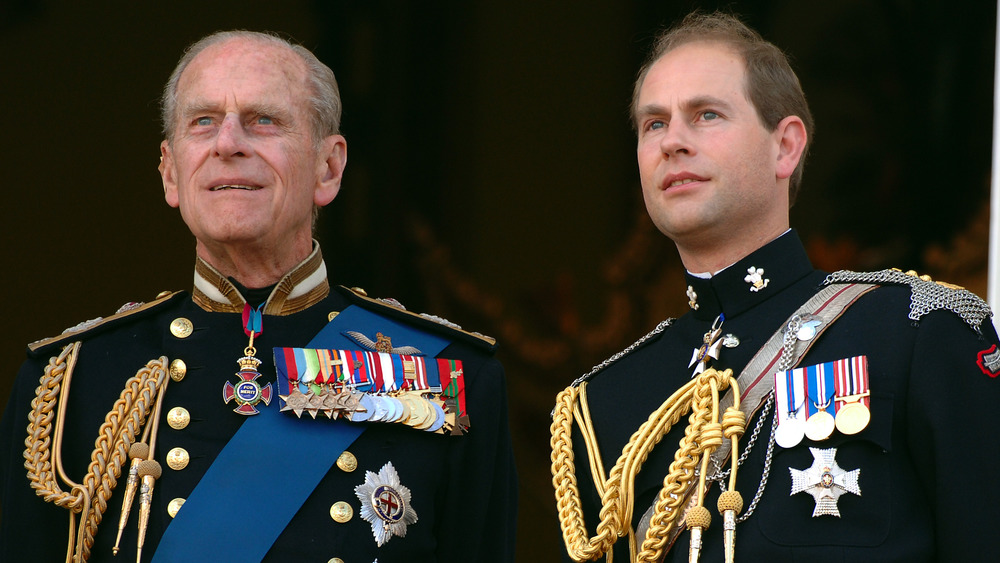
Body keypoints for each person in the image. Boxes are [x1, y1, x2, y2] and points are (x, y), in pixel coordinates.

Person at [0, 31, 517, 563]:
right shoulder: (69, 385)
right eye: (202, 122)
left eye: (263, 120)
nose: (228, 143)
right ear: (170, 172)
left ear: (329, 168)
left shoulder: (450, 376)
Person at [550, 12, 999, 563]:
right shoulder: (603, 401)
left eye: (706, 114)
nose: (673, 142)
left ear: (785, 146)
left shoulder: (914, 331)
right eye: (654, 124)